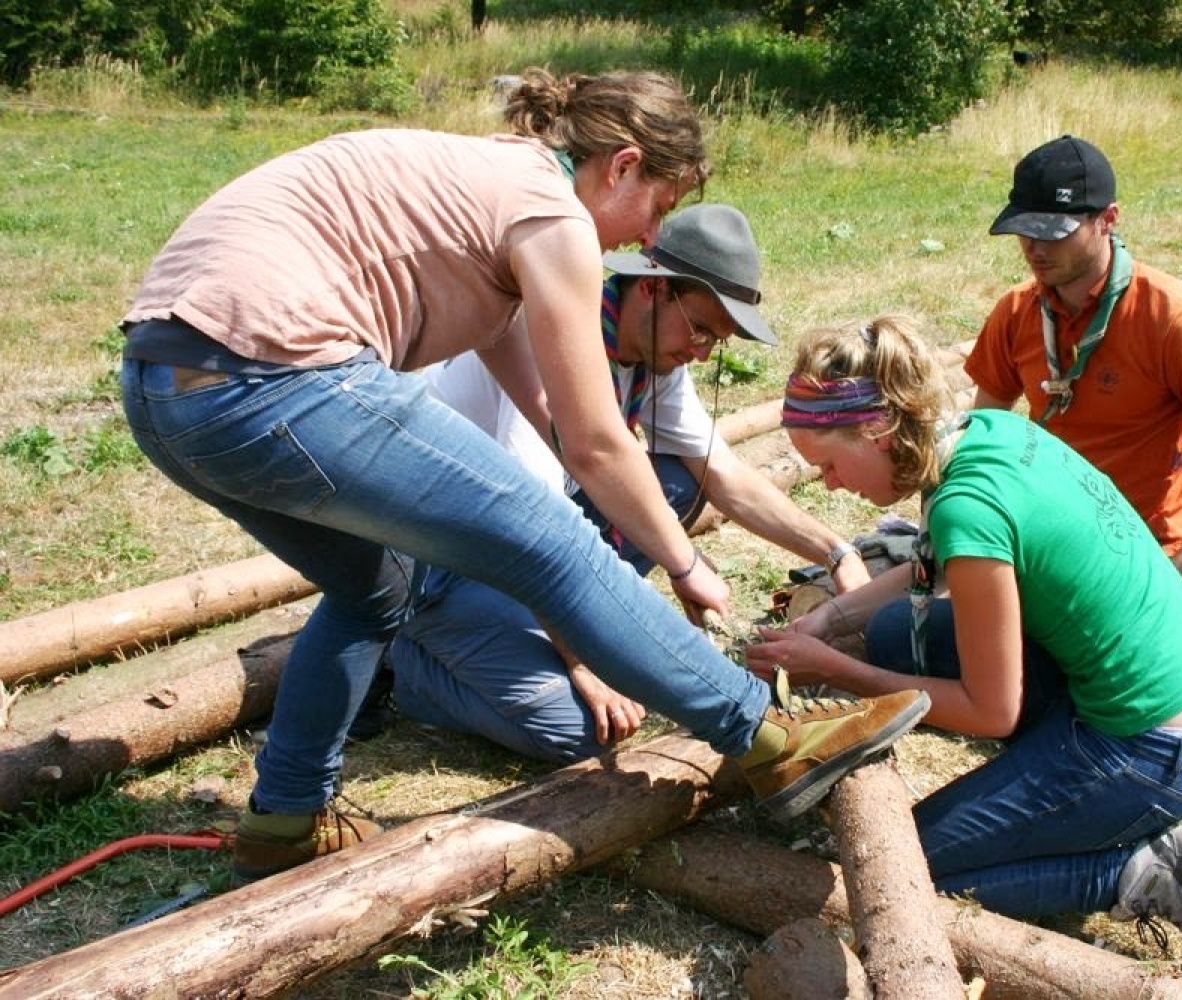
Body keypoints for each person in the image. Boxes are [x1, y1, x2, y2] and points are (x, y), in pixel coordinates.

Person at [117, 67, 929, 886]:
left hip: (167, 390)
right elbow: (594, 450)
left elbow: (554, 417)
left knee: (372, 589)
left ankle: (285, 817)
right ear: (622, 167)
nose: (649, 237)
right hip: (272, 373)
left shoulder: (497, 208)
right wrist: (681, 565)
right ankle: (768, 735)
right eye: (658, 207)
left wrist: (680, 549)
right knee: (552, 539)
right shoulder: (551, 213)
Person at [746, 315, 1182, 994]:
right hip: (1161, 681)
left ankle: (1147, 874)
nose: (830, 484)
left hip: (1159, 743)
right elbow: (938, 560)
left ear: (876, 430)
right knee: (898, 633)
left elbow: (991, 711)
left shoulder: (968, 508)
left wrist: (839, 670)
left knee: (913, 871)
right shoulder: (984, 432)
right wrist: (830, 619)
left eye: (828, 465)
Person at [385, 203, 872, 762]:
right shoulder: (559, 340)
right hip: (441, 559)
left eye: (715, 342)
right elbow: (530, 528)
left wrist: (835, 552)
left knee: (674, 483)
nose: (701, 352)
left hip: (509, 537)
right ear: (653, 289)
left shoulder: (649, 349)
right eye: (700, 329)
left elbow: (722, 473)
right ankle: (405, 662)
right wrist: (585, 661)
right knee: (578, 727)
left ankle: (534, 626)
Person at [965, 135, 1182, 586]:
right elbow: (980, 439)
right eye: (1024, 230)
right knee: (898, 623)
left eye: (1054, 233)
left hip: (1136, 554)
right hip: (1046, 543)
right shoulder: (1018, 311)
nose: (1034, 248)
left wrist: (1168, 588)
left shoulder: (1175, 322)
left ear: (1108, 219)